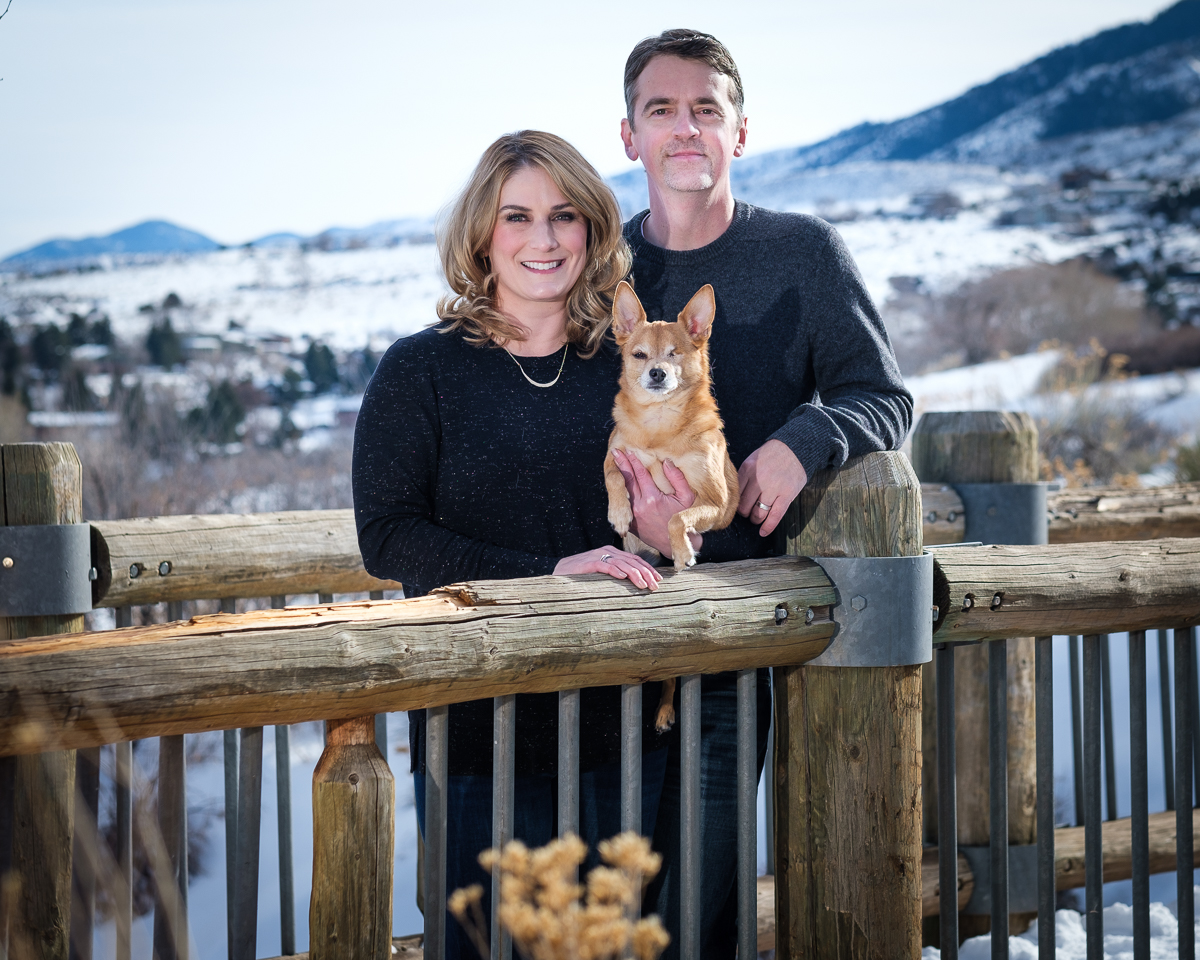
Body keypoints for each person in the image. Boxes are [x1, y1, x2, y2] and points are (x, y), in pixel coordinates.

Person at [610, 29, 915, 959]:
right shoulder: (600, 272)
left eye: (707, 107)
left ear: (740, 132)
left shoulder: (803, 255)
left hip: (734, 631)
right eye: (662, 109)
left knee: (703, 904)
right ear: (630, 137)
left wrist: (803, 440)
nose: (686, 128)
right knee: (610, 909)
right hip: (608, 627)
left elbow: (886, 395)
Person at [352, 130, 672, 960]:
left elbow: (662, 517)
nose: (543, 239)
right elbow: (386, 535)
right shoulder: (420, 371)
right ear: (482, 236)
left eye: (565, 216)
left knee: (613, 946)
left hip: (622, 716)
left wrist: (667, 529)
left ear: (594, 232)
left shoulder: (628, 367)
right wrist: (548, 573)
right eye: (518, 217)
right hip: (476, 725)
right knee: (490, 943)